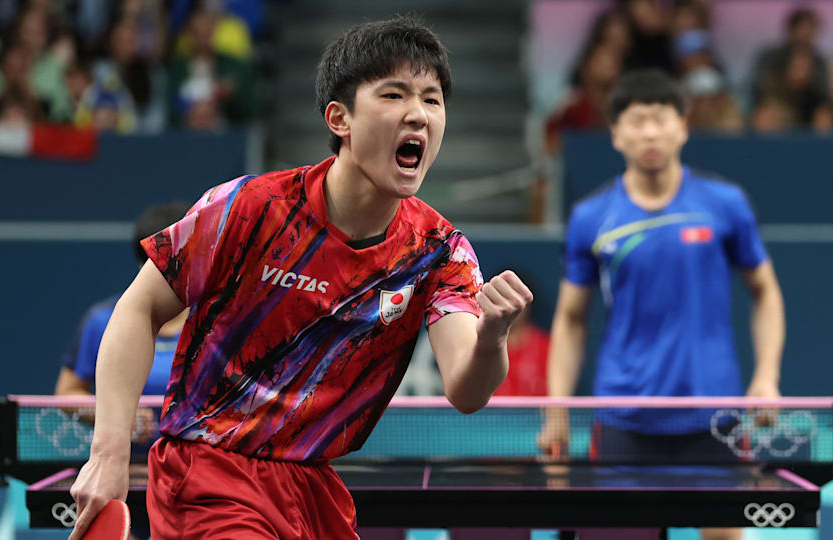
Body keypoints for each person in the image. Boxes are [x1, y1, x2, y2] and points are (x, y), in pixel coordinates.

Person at [69, 16, 532, 540]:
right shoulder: (250, 208)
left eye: (432, 99)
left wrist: (492, 336)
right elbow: (138, 308)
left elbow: (467, 391)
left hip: (313, 488)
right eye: (394, 95)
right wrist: (107, 453)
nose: (418, 115)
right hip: (210, 468)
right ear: (340, 118)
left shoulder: (438, 252)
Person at [539, 70, 786, 540]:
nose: (650, 132)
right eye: (637, 121)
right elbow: (570, 320)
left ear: (683, 127)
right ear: (616, 134)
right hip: (624, 416)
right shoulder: (591, 218)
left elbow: (766, 292)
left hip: (714, 414)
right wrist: (556, 410)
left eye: (660, 119)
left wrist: (767, 376)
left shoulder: (725, 204)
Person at [54, 202, 190, 396]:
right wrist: (122, 411)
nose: (164, 273)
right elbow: (68, 391)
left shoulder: (214, 320)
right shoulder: (103, 320)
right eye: (152, 261)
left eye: (174, 262)